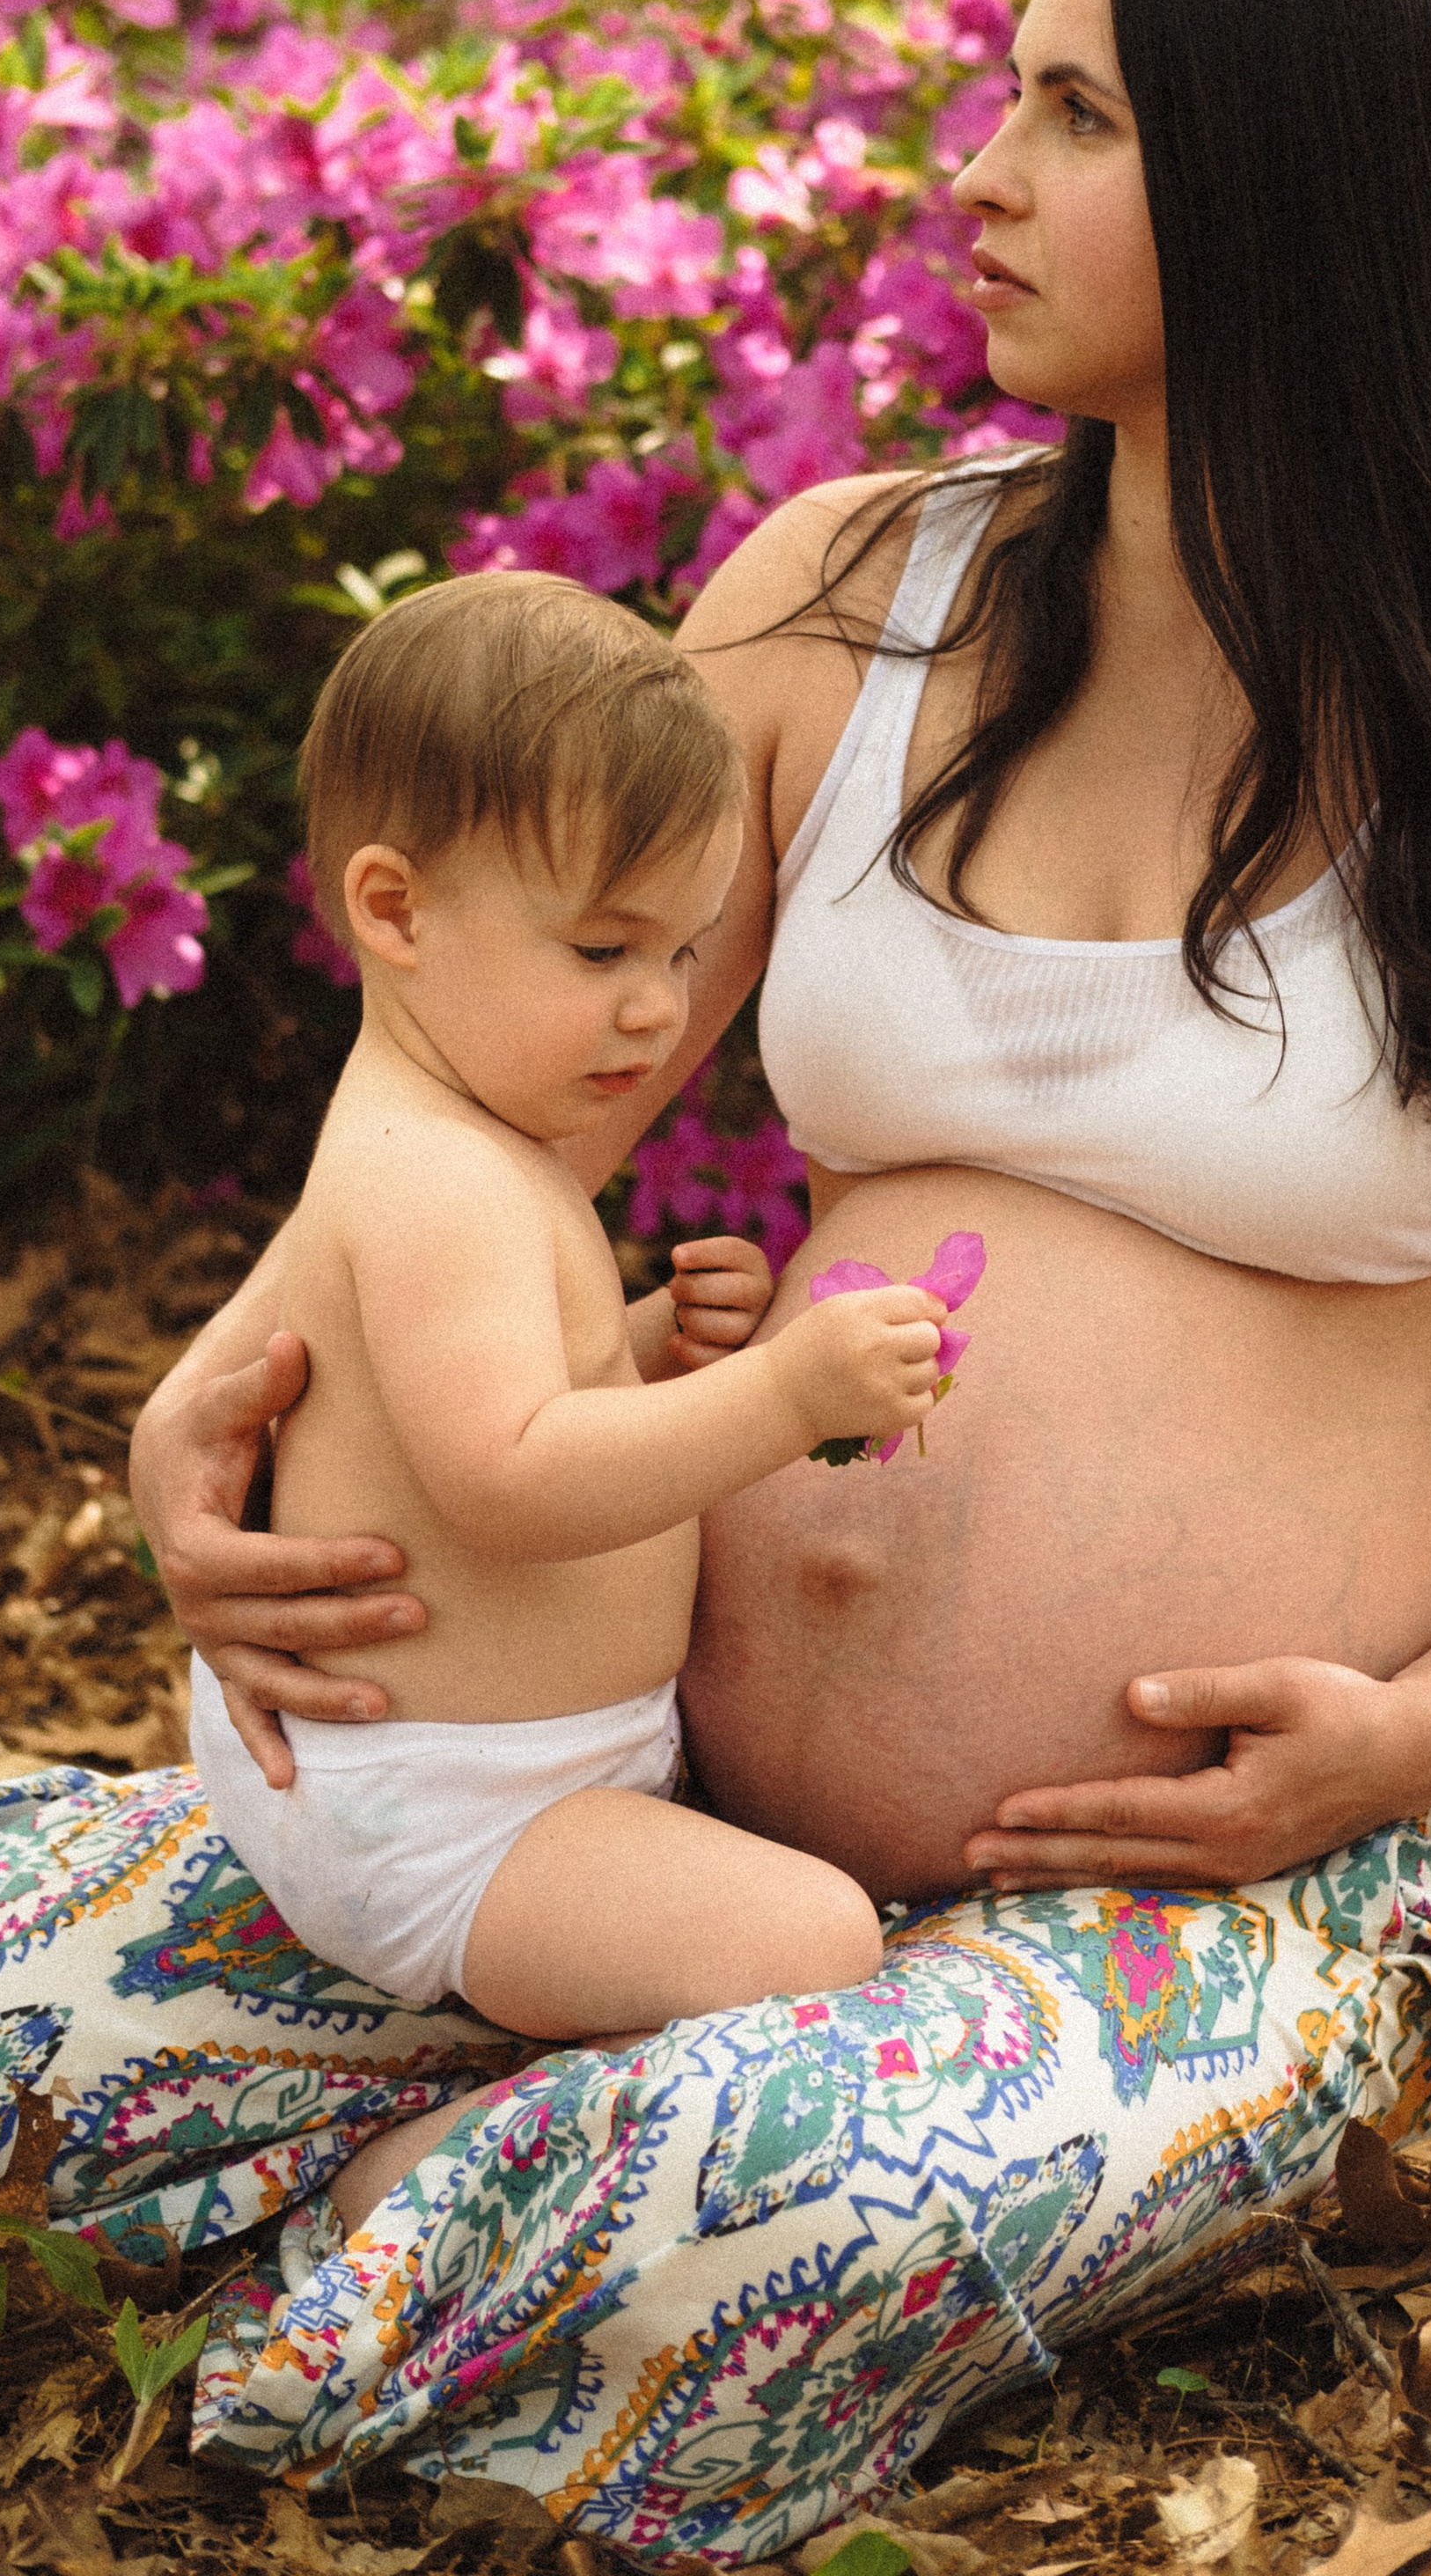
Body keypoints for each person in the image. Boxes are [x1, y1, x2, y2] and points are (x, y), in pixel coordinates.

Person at [0, 0, 1431, 2562]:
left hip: (1230, 1845)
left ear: (1294, 187)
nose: (975, 176)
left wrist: (1427, 1732)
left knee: (737, 2217)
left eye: (1073, 115)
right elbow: (473, 1074)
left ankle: (619, 2178)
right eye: (1004, 95)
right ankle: (622, 2124)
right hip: (644, 1806)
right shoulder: (842, 602)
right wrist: (214, 1411)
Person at [188, 573, 940, 2059]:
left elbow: (480, 1401)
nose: (660, 1008)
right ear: (395, 911)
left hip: (498, 1772)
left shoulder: (473, 1134)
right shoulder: (437, 1179)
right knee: (820, 1940)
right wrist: (782, 1399)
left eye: (682, 950)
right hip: (462, 1816)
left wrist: (644, 1341)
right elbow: (510, 1481)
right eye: (604, 951)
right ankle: (455, 2157)